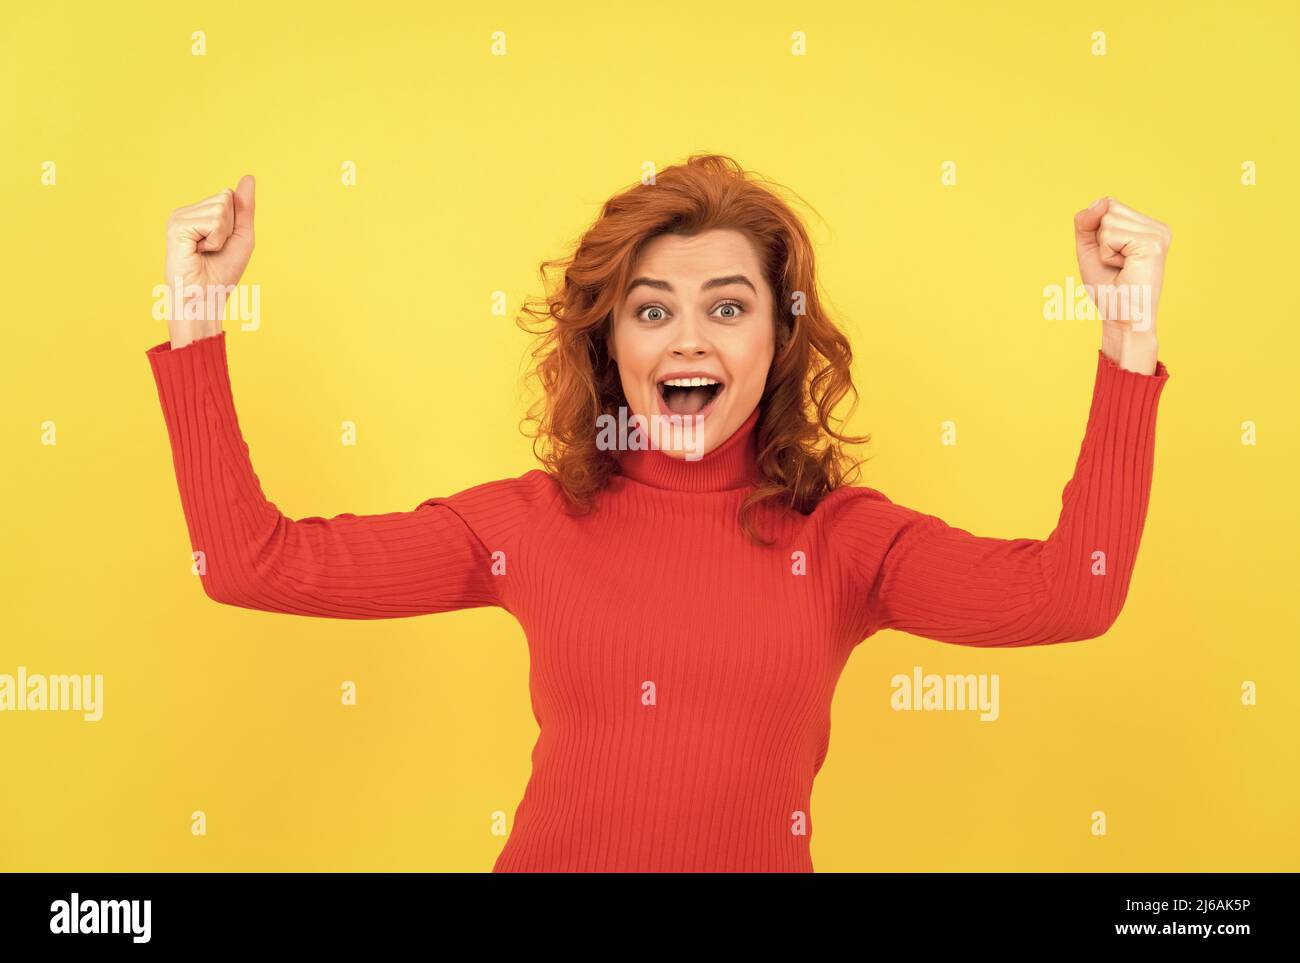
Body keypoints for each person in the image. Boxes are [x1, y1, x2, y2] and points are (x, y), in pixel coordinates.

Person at [147, 154, 1171, 872]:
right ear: (610, 345)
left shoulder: (846, 542)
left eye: (728, 307)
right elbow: (251, 565)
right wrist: (196, 314)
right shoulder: (526, 527)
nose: (688, 341)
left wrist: (1125, 338)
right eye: (651, 310)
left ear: (778, 342)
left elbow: (1068, 598)